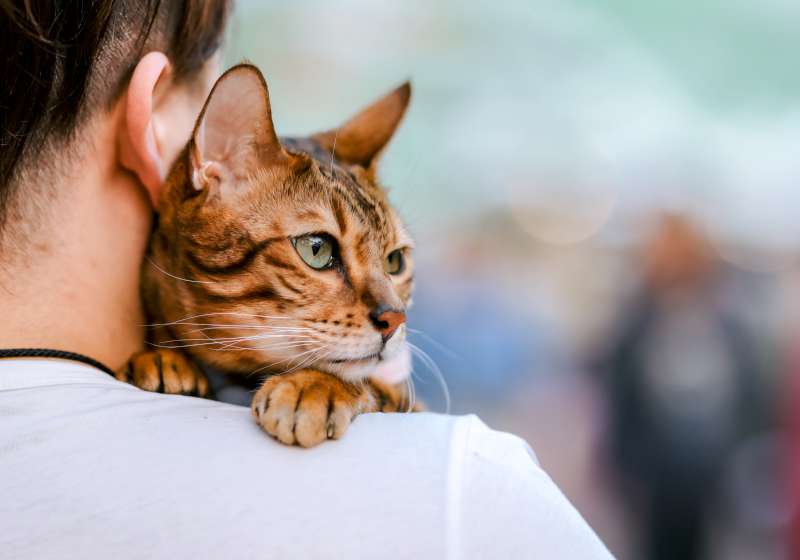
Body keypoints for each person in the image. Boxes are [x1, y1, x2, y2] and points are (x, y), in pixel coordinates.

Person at [0, 2, 611, 558]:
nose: (388, 312)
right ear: (196, 154)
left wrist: (348, 388)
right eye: (320, 250)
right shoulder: (463, 491)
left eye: (395, 262)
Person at [598, 214, 760, 560]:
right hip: (661, 470)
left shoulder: (721, 321)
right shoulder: (643, 320)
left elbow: (748, 395)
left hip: (700, 467)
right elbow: (621, 394)